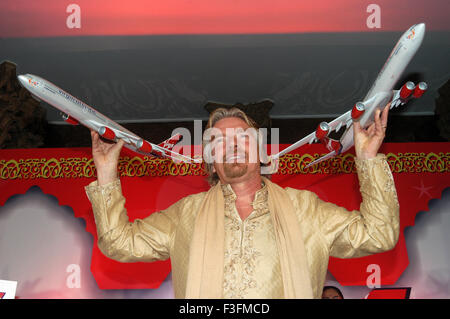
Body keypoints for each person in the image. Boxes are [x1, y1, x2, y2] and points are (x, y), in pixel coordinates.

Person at [85, 105, 399, 299]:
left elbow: (379, 234)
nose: (232, 147)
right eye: (219, 143)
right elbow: (118, 243)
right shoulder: (185, 215)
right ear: (211, 160)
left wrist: (368, 157)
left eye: (242, 139)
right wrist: (106, 169)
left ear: (262, 152)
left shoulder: (307, 209)